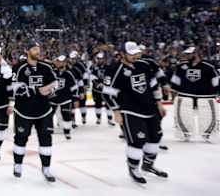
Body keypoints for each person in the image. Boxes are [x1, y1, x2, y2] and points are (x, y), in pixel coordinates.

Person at [103, 41, 168, 184]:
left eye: (136, 53)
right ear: (122, 54)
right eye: (131, 54)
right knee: (137, 141)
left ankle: (148, 165)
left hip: (150, 108)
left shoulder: (143, 65)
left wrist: (159, 103)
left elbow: (153, 84)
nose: (135, 56)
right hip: (129, 110)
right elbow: (107, 94)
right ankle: (133, 168)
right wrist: (116, 112)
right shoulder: (114, 70)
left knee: (155, 137)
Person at [10, 40, 58, 182]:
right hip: (23, 111)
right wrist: (38, 90)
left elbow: (56, 83)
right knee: (21, 138)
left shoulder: (46, 67)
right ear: (27, 51)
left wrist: (51, 89)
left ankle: (47, 168)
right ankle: (17, 165)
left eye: (38, 48)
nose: (38, 51)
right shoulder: (19, 68)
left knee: (46, 138)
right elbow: (15, 88)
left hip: (44, 111)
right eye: (34, 49)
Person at [170, 46, 220, 142]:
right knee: (183, 114)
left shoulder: (209, 67)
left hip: (205, 96)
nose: (187, 56)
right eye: (187, 54)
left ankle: (208, 133)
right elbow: (175, 82)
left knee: (207, 115)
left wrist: (215, 93)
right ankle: (185, 133)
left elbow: (216, 82)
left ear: (196, 54)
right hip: (184, 95)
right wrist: (173, 95)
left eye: (189, 54)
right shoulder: (181, 66)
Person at [50, 55, 78, 140]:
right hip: (53, 98)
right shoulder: (53, 72)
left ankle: (67, 131)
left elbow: (74, 87)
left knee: (66, 115)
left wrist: (76, 99)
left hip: (65, 99)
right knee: (48, 115)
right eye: (58, 61)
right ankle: (49, 129)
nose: (58, 63)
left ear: (65, 63)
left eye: (61, 61)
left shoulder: (69, 74)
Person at [91, 52, 114, 126]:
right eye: (99, 59)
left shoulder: (108, 67)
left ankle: (110, 119)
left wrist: (105, 84)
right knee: (98, 104)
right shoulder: (93, 67)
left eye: (101, 59)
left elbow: (110, 77)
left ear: (104, 59)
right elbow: (92, 77)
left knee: (108, 104)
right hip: (96, 89)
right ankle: (98, 118)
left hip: (106, 89)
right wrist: (97, 84)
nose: (100, 60)